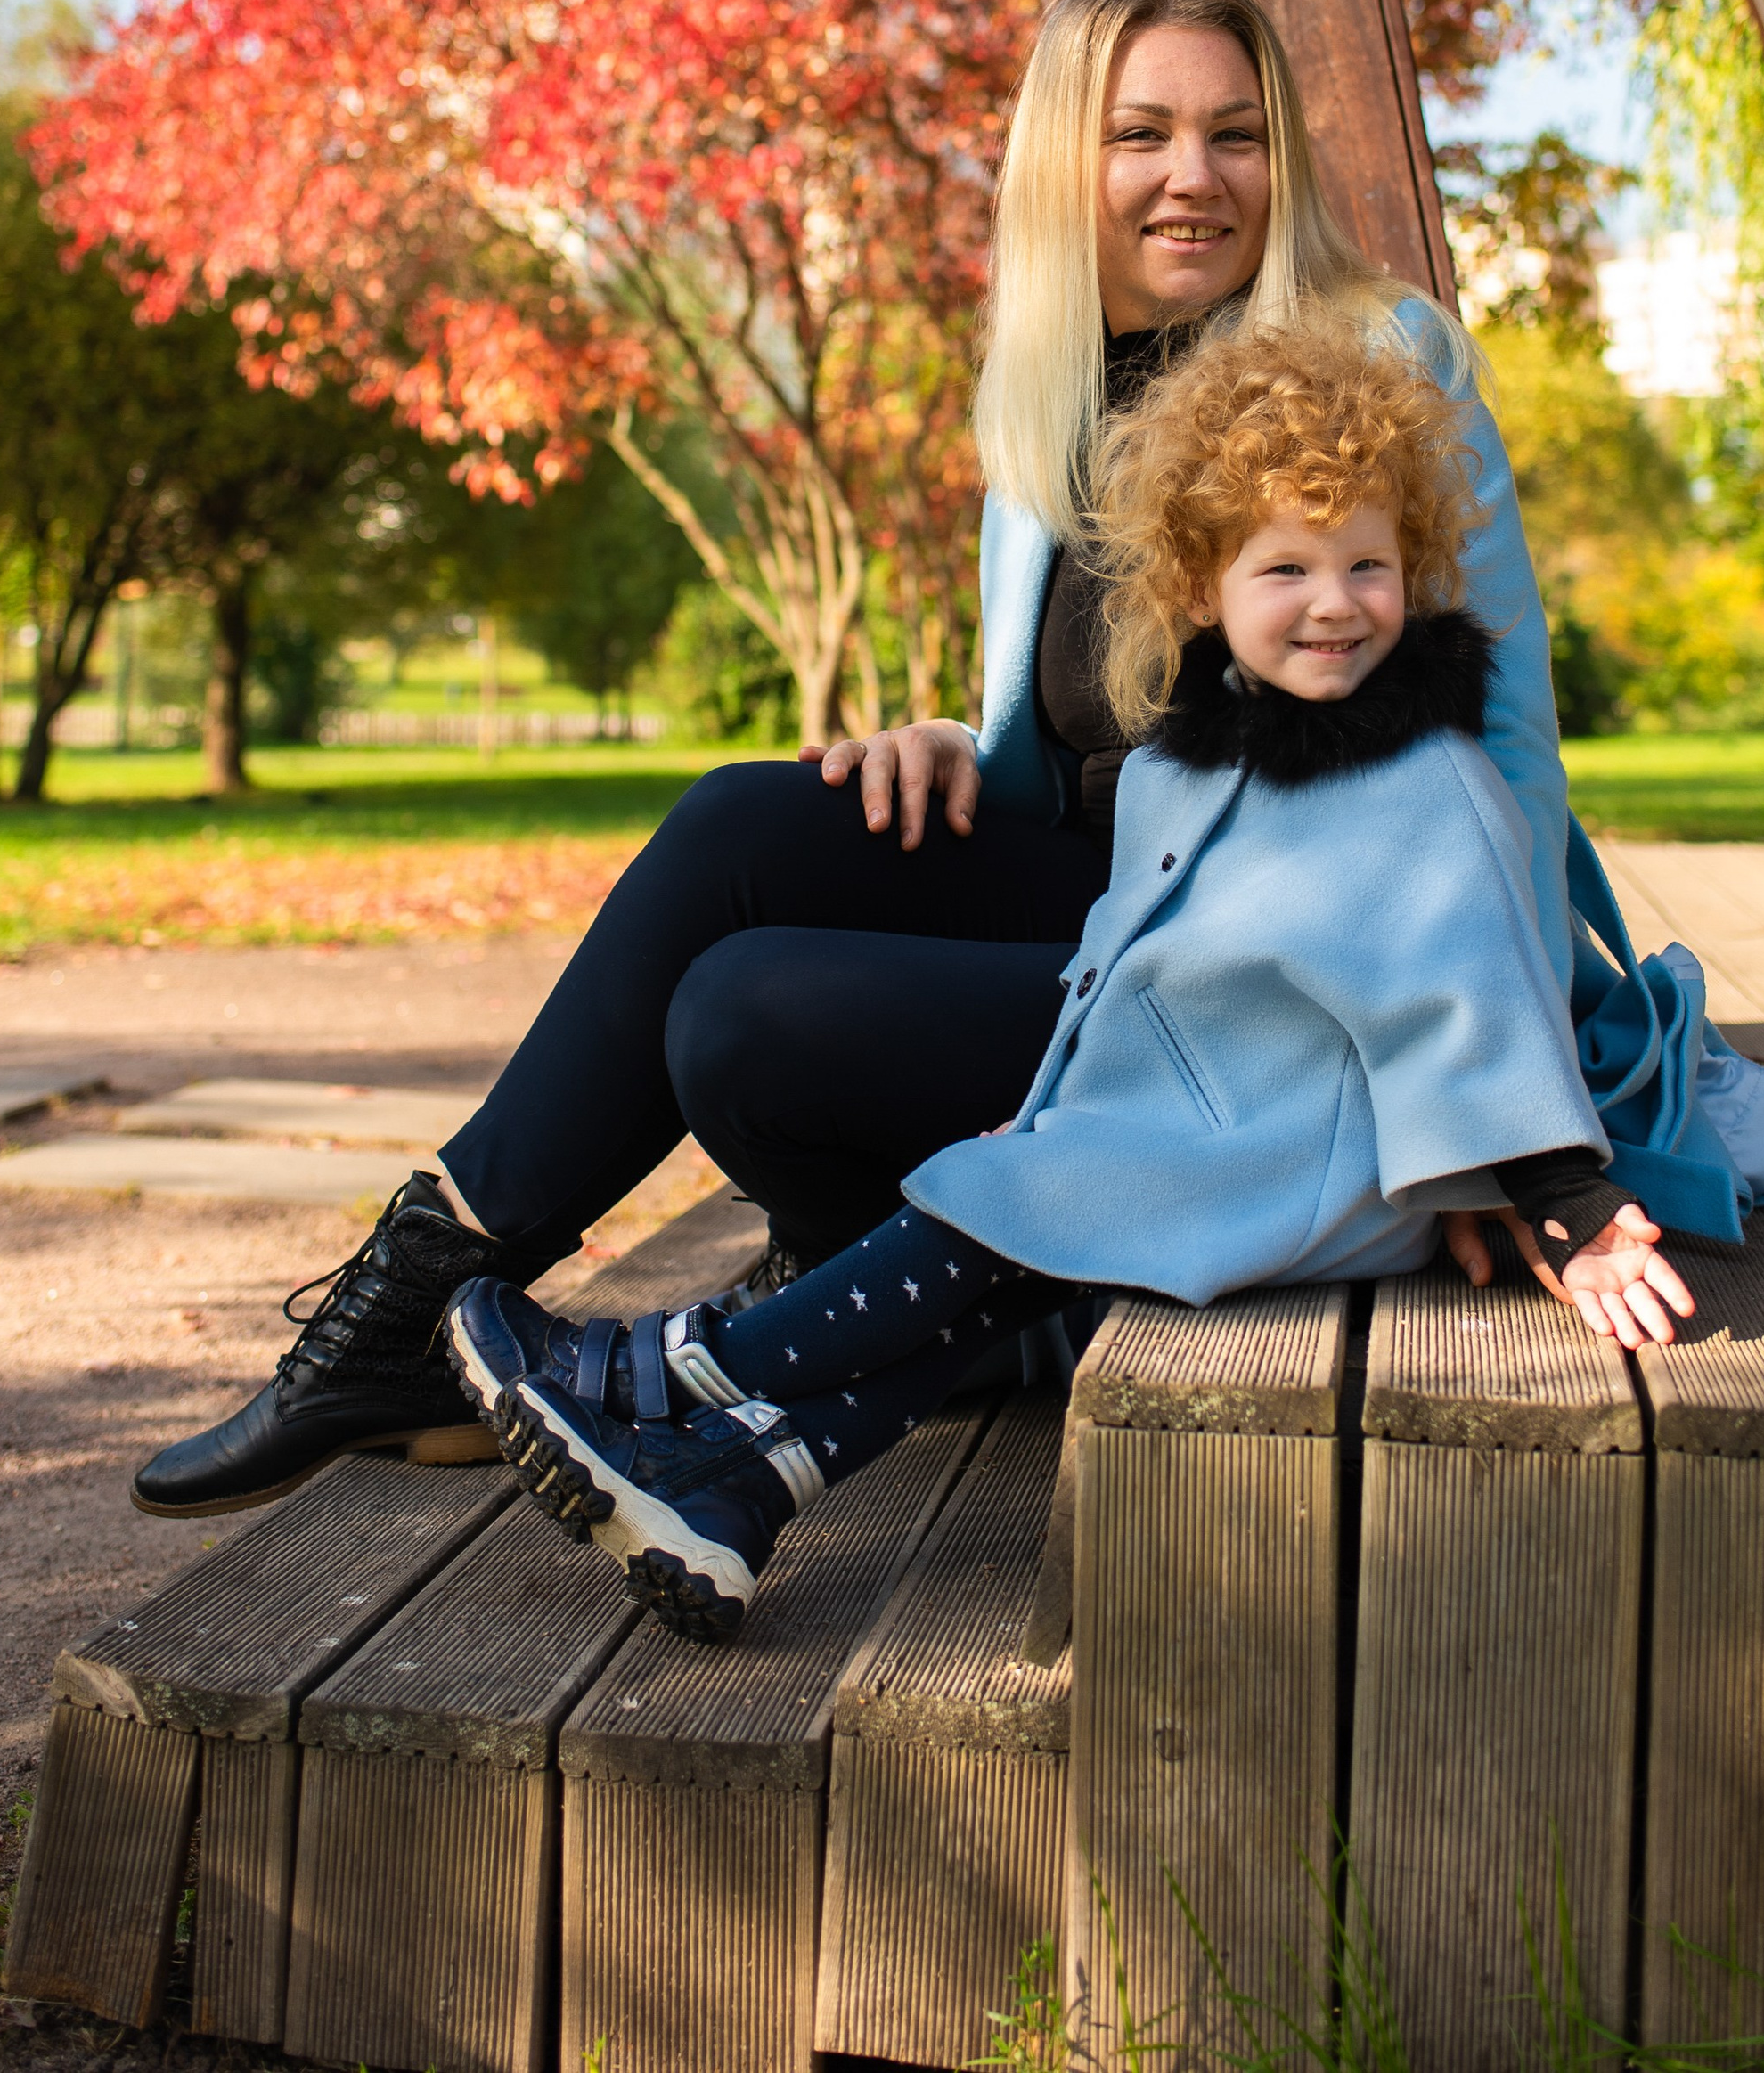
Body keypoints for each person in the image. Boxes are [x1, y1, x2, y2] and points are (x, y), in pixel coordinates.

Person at [131, 0, 1764, 1522]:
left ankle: (909, 1300)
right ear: (1066, 165)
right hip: (1112, 886)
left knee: (742, 1021)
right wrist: (947, 732)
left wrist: (1511, 1115)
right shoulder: (1050, 387)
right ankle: (410, 1306)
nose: (1192, 177)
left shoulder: (1380, 358)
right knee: (736, 825)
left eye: (1233, 133)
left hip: (1287, 975)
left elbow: (1505, 757)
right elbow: (1088, 711)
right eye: (1139, 134)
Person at [441, 317, 1696, 1639]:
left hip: (1314, 1153)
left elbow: (1480, 978)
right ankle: (736, 1490)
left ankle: (663, 1374)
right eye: (1288, 568)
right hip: (1200, 1112)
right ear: (1204, 588)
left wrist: (1567, 1193)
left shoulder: (1427, 778)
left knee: (1001, 1208)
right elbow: (1120, 955)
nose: (1335, 603)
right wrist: (1046, 1095)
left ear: (1418, 567)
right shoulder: (1190, 758)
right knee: (1016, 1203)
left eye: (1369, 565)